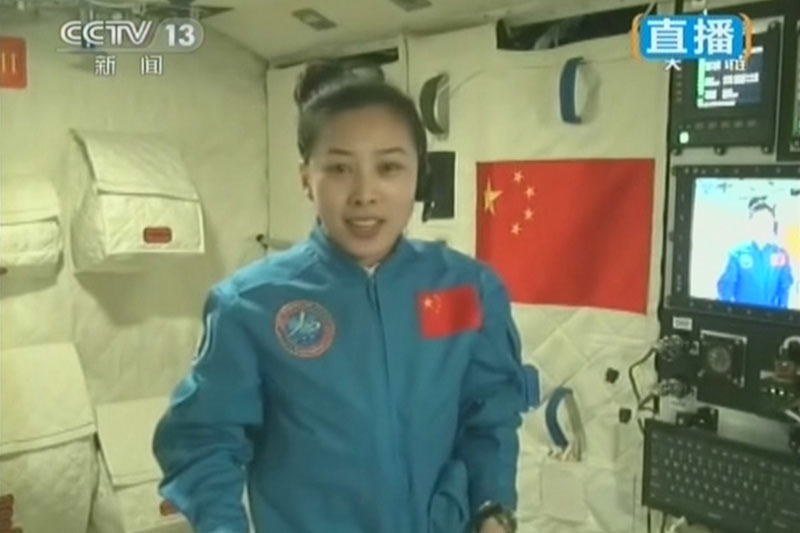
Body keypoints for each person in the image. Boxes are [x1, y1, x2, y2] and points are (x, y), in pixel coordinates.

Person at [152, 59, 532, 533]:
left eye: (389, 167)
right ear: (305, 178)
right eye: (339, 168)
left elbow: (488, 412)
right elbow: (203, 442)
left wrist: (493, 508)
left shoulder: (465, 288)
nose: (365, 194)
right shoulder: (250, 306)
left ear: (419, 176)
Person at [716, 197, 794, 309]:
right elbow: (726, 290)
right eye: (759, 221)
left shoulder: (781, 255)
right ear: (751, 224)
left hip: (770, 317)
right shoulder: (737, 255)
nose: (763, 226)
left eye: (767, 222)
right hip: (743, 316)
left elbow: (784, 289)